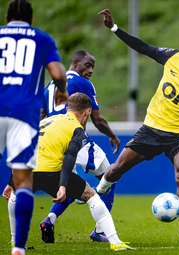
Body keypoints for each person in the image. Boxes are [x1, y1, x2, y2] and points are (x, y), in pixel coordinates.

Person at [97, 9, 179, 245]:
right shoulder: (173, 57)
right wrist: (114, 28)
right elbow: (143, 47)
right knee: (116, 170)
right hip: (152, 128)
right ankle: (98, 190)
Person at [8, 93, 133, 252]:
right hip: (51, 172)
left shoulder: (44, 121)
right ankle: (115, 242)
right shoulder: (77, 129)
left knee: (14, 197)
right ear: (87, 112)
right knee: (91, 195)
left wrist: (10, 182)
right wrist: (62, 185)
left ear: (67, 109)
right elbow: (70, 156)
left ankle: (15, 242)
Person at [0, 1, 68, 255]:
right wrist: (61, 92)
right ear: (31, 18)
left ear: (7, 17)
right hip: (24, 115)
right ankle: (18, 247)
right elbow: (58, 72)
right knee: (23, 180)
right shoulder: (41, 38)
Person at [38, 50, 120, 243]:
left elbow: (41, 115)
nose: (90, 70)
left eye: (93, 66)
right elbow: (97, 119)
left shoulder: (50, 85)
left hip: (54, 144)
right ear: (75, 62)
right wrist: (113, 136)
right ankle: (100, 230)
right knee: (111, 176)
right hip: (76, 140)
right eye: (87, 65)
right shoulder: (83, 83)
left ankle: (49, 220)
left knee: (67, 185)